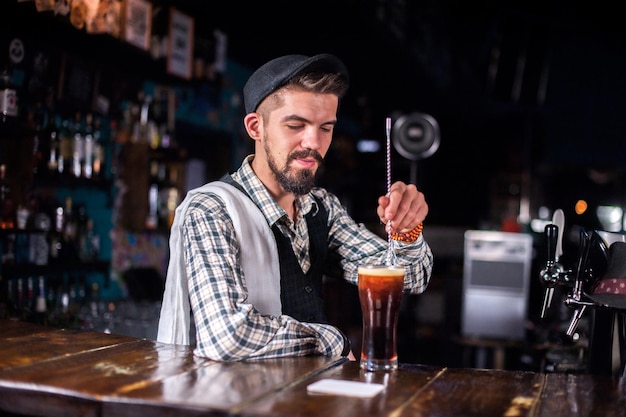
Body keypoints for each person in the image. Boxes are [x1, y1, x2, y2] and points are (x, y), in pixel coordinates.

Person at [157, 53, 433, 361]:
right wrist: (331, 340)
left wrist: (408, 231)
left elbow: (411, 278)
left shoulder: (320, 208)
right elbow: (228, 338)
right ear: (255, 127)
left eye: (325, 128)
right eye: (295, 125)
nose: (313, 142)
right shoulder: (212, 210)